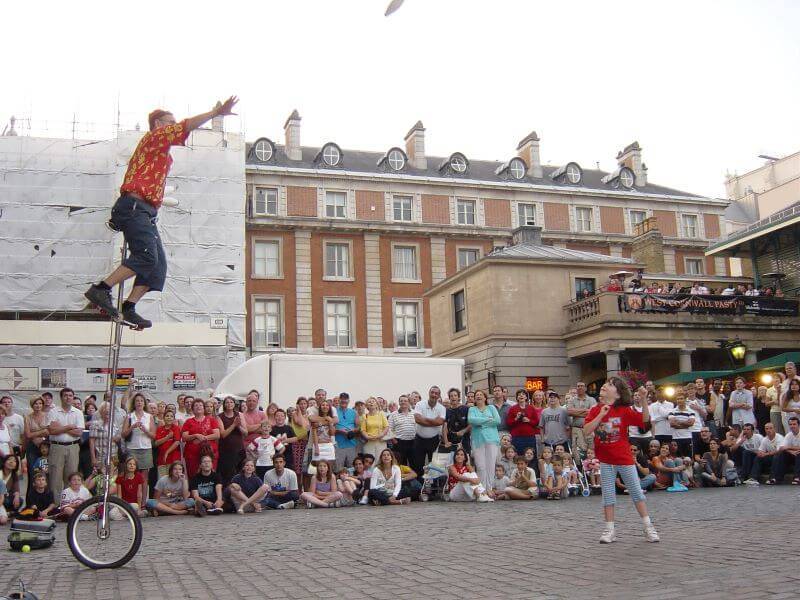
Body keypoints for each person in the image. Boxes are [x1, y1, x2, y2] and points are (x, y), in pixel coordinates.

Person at [83, 96, 239, 328]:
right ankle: (101, 290)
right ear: (158, 124)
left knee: (157, 266)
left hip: (145, 210)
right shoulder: (154, 137)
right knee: (146, 256)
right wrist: (214, 113)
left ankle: (129, 308)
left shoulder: (161, 151)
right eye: (169, 122)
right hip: (134, 206)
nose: (173, 126)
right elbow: (185, 126)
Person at [584, 377, 659, 543]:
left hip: (624, 459)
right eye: (605, 384)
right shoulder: (596, 409)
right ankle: (609, 530)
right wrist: (601, 415)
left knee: (636, 493)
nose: (604, 385)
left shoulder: (624, 410)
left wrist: (645, 400)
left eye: (610, 385)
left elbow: (644, 423)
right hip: (605, 460)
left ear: (618, 394)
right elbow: (586, 431)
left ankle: (648, 527)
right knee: (608, 495)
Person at [46, 387, 85, 496]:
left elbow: (79, 432)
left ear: (73, 398)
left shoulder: (78, 413)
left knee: (71, 476)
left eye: (70, 396)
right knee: (55, 477)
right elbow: (52, 431)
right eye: (65, 395)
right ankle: (56, 506)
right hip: (57, 447)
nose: (68, 398)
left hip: (73, 447)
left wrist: (61, 428)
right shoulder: (53, 412)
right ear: (61, 397)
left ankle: (69, 503)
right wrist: (69, 427)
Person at [467, 389, 501, 495]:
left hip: (492, 440)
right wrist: (487, 419)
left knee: (490, 465)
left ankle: (489, 488)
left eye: (481, 395)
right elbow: (471, 420)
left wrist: (481, 422)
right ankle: (482, 489)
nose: (478, 396)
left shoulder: (491, 407)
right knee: (480, 465)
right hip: (478, 440)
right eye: (476, 395)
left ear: (485, 398)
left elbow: (497, 420)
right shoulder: (472, 409)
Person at [122, 392, 156, 496]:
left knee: (144, 477)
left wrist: (145, 430)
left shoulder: (149, 416)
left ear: (144, 403)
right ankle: (130, 498)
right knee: (131, 474)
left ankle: (143, 503)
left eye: (141, 401)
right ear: (134, 403)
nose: (139, 403)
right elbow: (123, 434)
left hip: (146, 448)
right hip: (132, 448)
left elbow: (154, 436)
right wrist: (132, 427)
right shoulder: (129, 416)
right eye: (137, 401)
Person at [411, 386, 447, 481]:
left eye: (436, 393)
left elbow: (440, 422)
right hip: (419, 440)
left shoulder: (442, 408)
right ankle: (419, 489)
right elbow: (418, 420)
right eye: (432, 392)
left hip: (434, 440)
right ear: (429, 393)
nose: (434, 395)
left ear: (439, 395)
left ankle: (433, 490)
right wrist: (433, 422)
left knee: (434, 466)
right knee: (418, 465)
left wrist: (425, 419)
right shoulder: (419, 404)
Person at [182, 397, 220, 478]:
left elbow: (217, 435)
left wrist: (203, 438)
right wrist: (195, 435)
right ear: (192, 409)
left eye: (200, 405)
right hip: (192, 455)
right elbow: (184, 437)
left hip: (209, 453)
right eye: (196, 405)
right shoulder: (188, 422)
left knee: (210, 476)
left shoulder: (212, 420)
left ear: (204, 408)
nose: (198, 407)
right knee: (193, 476)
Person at [217, 396, 246, 485]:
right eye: (227, 402)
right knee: (228, 475)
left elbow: (245, 433)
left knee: (240, 473)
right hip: (226, 451)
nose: (229, 404)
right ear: (224, 404)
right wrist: (234, 425)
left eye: (231, 402)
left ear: (234, 404)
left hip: (239, 449)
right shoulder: (219, 417)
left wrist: (239, 426)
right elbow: (223, 434)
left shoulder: (240, 415)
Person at [23, 396, 49, 493]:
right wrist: (42, 431)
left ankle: (46, 500)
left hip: (46, 448)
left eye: (40, 403)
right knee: (33, 473)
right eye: (35, 403)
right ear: (32, 405)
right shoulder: (28, 417)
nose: (38, 405)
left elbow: (49, 431)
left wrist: (36, 432)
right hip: (32, 448)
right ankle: (31, 501)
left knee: (46, 474)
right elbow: (28, 435)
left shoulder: (47, 415)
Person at [506, 389, 539, 457]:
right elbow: (509, 423)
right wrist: (516, 418)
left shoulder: (531, 408)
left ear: (526, 397)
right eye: (519, 395)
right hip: (517, 437)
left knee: (530, 455)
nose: (521, 396)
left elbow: (536, 422)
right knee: (518, 456)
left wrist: (528, 420)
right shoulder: (513, 408)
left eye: (523, 394)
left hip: (530, 437)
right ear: (517, 397)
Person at [768, 416, 800, 485]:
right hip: (792, 455)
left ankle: (797, 478)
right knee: (779, 455)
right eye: (790, 424)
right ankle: (776, 478)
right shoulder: (789, 435)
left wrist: (789, 447)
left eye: (794, 424)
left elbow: (786, 447)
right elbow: (782, 448)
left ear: (798, 425)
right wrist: (791, 451)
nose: (792, 426)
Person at [89, 402, 120, 472]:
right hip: (101, 456)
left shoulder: (114, 425)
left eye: (109, 410)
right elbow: (91, 442)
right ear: (101, 412)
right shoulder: (95, 424)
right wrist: (93, 458)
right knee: (100, 477)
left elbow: (117, 439)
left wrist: (117, 438)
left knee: (112, 478)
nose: (108, 412)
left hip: (113, 456)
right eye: (105, 410)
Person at [388, 395, 416, 466]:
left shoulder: (414, 413)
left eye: (405, 401)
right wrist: (394, 441)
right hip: (399, 443)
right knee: (401, 465)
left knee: (414, 463)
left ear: (409, 402)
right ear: (399, 403)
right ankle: (401, 477)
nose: (403, 402)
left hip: (413, 442)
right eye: (401, 401)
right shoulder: (393, 414)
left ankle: (414, 477)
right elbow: (389, 429)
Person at [568, 382, 596, 452]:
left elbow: (593, 412)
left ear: (585, 388)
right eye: (578, 386)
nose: (580, 387)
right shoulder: (572, 400)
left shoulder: (591, 400)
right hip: (576, 429)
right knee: (577, 451)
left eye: (582, 386)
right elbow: (569, 412)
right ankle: (578, 463)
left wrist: (576, 412)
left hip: (589, 429)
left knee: (591, 449)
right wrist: (585, 411)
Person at [334, 393, 359, 471]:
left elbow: (358, 427)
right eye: (342, 399)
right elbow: (329, 428)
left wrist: (352, 430)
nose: (344, 400)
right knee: (338, 469)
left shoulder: (354, 412)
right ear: (339, 400)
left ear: (348, 400)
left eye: (346, 399)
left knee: (352, 469)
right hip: (338, 445)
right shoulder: (333, 411)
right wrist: (339, 430)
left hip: (351, 444)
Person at [154, 409, 182, 479]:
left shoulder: (176, 428)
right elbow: (156, 443)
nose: (169, 417)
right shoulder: (160, 429)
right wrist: (167, 437)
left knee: (174, 479)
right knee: (162, 480)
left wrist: (167, 452)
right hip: (161, 459)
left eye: (171, 416)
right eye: (167, 416)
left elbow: (177, 442)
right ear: (163, 418)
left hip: (173, 459)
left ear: (174, 418)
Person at [443, 388, 471, 455]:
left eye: (455, 395)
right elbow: (445, 427)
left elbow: (471, 424)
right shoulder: (447, 411)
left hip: (464, 441)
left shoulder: (466, 409)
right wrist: (446, 441)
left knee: (466, 463)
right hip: (451, 442)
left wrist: (463, 431)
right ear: (449, 398)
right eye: (451, 396)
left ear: (458, 397)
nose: (453, 397)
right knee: (452, 463)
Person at [668, 391, 695, 458]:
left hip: (687, 437)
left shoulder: (691, 411)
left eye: (681, 398)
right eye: (678, 399)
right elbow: (672, 424)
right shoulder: (672, 411)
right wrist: (685, 424)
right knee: (677, 458)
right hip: (676, 438)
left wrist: (678, 422)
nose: (679, 400)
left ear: (685, 399)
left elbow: (691, 423)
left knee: (688, 458)